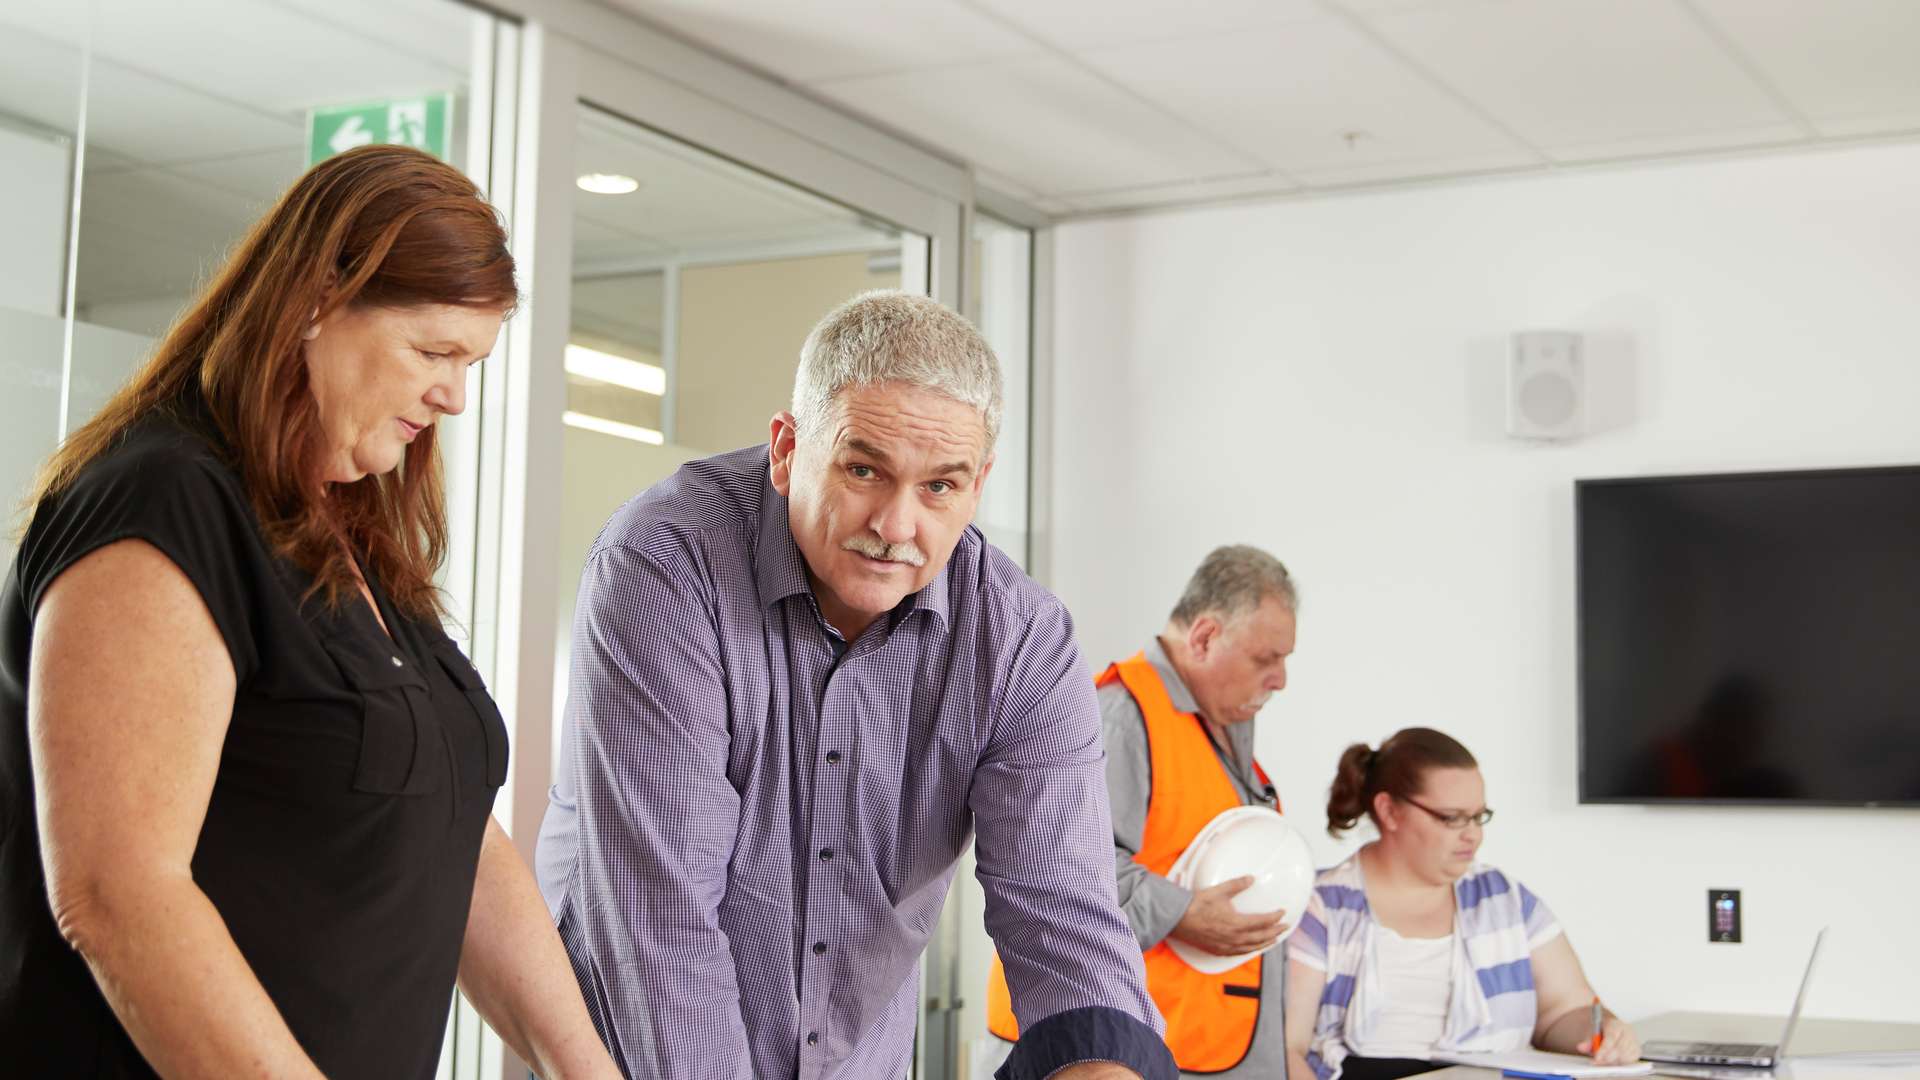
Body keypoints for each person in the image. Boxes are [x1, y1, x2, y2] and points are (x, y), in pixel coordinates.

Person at [0, 145, 618, 1079]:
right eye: (432, 351)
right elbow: (117, 894)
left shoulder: (346, 531)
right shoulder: (160, 503)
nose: (453, 394)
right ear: (317, 301)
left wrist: (584, 1065)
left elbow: (449, 825)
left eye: (470, 361)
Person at [534, 290, 1175, 1080]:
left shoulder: (1021, 643)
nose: (898, 525)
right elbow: (660, 922)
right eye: (865, 469)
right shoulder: (667, 568)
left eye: (941, 486)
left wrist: (1105, 1062)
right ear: (786, 447)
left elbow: (1064, 919)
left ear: (979, 485)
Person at [986, 544, 1299, 1077]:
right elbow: (1058, 876)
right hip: (1120, 1054)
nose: (1280, 680)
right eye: (1265, 659)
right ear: (1203, 637)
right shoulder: (1122, 718)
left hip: (1202, 1042)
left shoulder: (1218, 729)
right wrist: (1183, 913)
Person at [1284, 728, 1643, 1080]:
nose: (1473, 834)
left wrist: (1602, 1032)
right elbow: (1287, 1047)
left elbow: (1566, 1009)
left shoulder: (1506, 898)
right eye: (1451, 818)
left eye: (1478, 817)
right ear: (1389, 811)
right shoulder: (1320, 906)